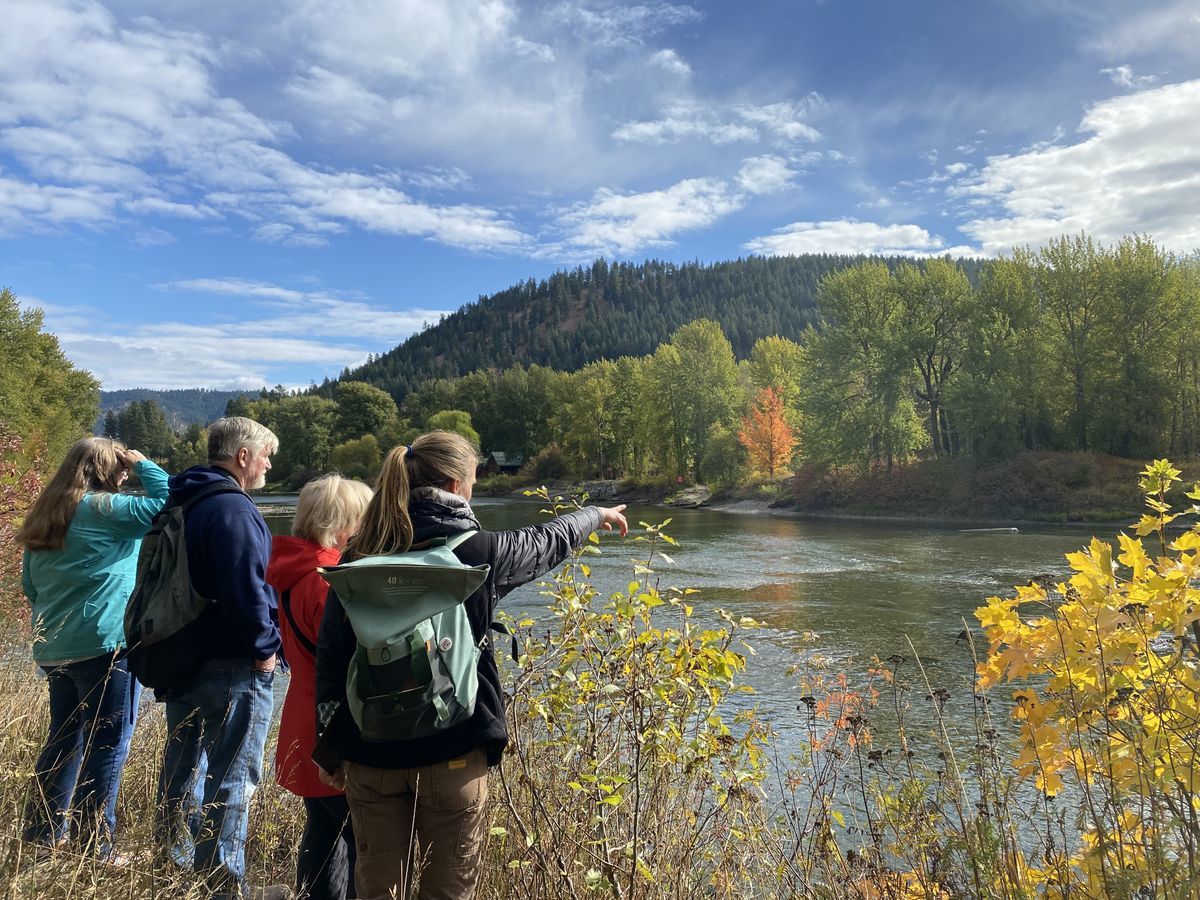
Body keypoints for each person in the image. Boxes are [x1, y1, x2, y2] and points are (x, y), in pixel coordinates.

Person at [314, 432, 628, 900]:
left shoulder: (357, 559)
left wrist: (330, 749)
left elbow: (333, 658)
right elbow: (547, 541)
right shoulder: (479, 554)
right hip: (454, 752)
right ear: (459, 485)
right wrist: (595, 514)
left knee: (377, 890)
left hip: (369, 755)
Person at [17, 437, 168, 856]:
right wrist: (144, 464)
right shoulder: (104, 508)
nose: (124, 475)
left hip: (54, 650)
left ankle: (41, 837)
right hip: (105, 647)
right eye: (118, 467)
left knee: (63, 741)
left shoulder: (47, 516)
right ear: (107, 469)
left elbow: (31, 586)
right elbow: (174, 502)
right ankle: (94, 848)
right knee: (108, 743)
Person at [153, 416, 283, 900]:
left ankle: (175, 868)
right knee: (233, 777)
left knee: (183, 769)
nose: (270, 463)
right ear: (242, 456)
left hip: (179, 658)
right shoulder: (232, 509)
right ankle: (222, 886)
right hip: (232, 665)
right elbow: (246, 589)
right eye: (266, 454)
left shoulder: (181, 499)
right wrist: (265, 649)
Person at [267, 474, 373, 900]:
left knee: (324, 829)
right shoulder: (332, 579)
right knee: (356, 835)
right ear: (347, 521)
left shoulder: (293, 569)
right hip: (333, 719)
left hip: (300, 712)